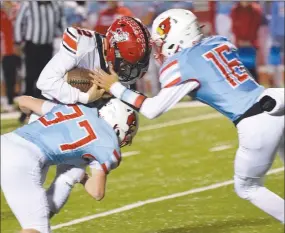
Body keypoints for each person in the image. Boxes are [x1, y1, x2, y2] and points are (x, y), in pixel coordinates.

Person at [93, 9, 285, 223]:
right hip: (276, 99)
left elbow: (152, 109)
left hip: (255, 121)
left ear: (176, 36)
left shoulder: (180, 64)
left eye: (161, 41)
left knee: (247, 187)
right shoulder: (219, 42)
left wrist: (116, 87)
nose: (159, 49)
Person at [27, 16, 151, 218]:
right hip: (51, 118)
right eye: (126, 62)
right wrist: (85, 96)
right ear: (113, 48)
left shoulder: (118, 67)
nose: (129, 70)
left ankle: (37, 224)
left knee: (66, 181)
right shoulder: (82, 44)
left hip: (83, 125)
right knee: (29, 185)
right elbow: (45, 82)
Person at [1, 97, 139, 233]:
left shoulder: (77, 107)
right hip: (23, 160)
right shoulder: (108, 146)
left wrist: (30, 117)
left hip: (6, 141)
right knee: (37, 228)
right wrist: (82, 177)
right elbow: (97, 192)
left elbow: (24, 101)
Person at [14, 1, 66, 122]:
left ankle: (38, 110)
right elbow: (19, 23)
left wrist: (66, 38)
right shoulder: (28, 4)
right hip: (32, 46)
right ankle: (24, 112)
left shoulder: (55, 5)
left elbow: (61, 23)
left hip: (47, 47)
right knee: (29, 78)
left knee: (45, 80)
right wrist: (17, 41)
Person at [0, 4, 21, 112]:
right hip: (5, 51)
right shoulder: (2, 14)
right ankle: (6, 101)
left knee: (15, 77)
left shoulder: (16, 10)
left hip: (16, 50)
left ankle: (12, 99)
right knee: (6, 77)